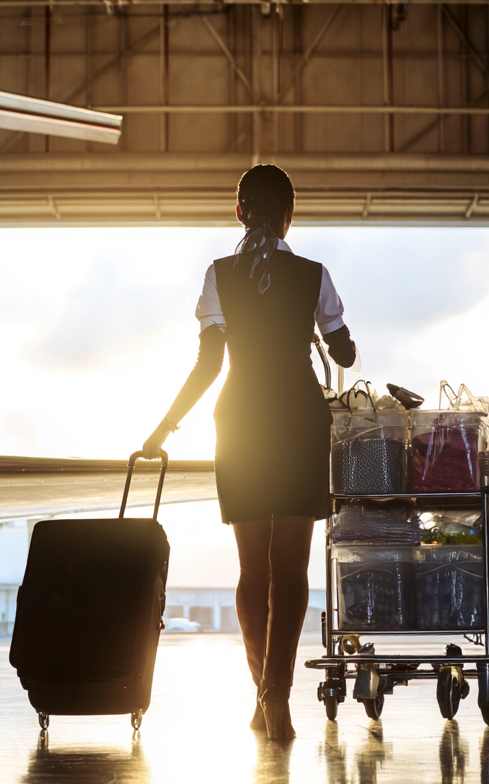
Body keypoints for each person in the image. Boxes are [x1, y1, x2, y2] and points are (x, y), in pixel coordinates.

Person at [142, 164, 357, 740]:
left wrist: (163, 428)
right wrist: (329, 334)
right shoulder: (313, 275)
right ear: (290, 215)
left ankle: (262, 693)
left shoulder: (219, 276)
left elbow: (209, 365)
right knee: (290, 570)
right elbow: (346, 354)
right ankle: (278, 697)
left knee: (251, 572)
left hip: (238, 424)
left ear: (240, 212)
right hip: (297, 421)